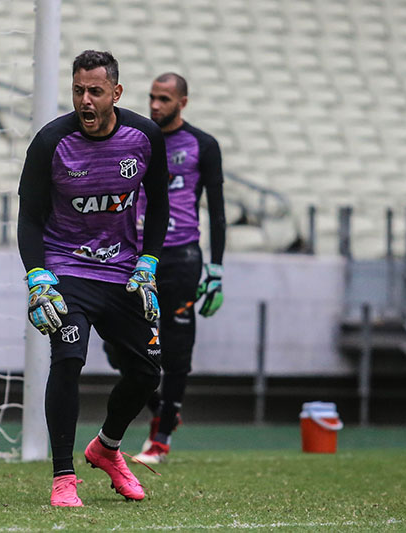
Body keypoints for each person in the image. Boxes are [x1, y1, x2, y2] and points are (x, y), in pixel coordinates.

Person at [17, 50, 169, 507]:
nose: (86, 100)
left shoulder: (144, 137)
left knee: (147, 372)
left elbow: (158, 204)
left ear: (115, 93)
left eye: (95, 91)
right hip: (67, 269)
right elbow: (28, 217)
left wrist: (149, 263)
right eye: (79, 90)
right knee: (68, 358)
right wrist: (38, 277)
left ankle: (106, 446)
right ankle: (64, 476)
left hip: (123, 272)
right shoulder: (50, 142)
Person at [107, 72, 226, 464]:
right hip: (135, 257)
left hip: (181, 258)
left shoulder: (203, 145)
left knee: (176, 350)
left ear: (182, 103)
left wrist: (217, 269)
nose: (155, 105)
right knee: (117, 345)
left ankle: (159, 441)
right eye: (152, 98)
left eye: (164, 99)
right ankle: (162, 409)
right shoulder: (134, 137)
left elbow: (218, 211)